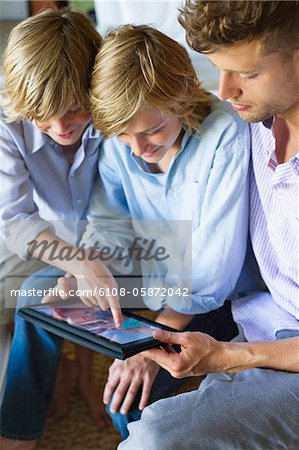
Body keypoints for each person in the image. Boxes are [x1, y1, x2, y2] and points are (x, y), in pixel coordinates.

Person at [117, 2, 299, 449]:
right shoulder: (255, 125)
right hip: (259, 319)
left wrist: (226, 356)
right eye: (220, 70)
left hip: (277, 349)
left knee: (157, 439)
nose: (225, 90)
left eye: (247, 74)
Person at [71, 23, 257, 439]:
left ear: (183, 95)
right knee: (46, 299)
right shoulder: (123, 139)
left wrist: (151, 341)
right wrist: (92, 261)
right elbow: (108, 217)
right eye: (124, 134)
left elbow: (213, 270)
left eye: (151, 130)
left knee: (135, 401)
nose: (137, 147)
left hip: (220, 297)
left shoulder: (225, 134)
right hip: (157, 285)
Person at [0, 8, 112, 450]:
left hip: (108, 231)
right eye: (43, 117)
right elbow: (13, 217)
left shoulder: (113, 108)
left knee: (82, 282)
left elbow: (116, 212)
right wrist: (77, 260)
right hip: (34, 229)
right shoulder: (7, 120)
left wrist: (84, 261)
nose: (61, 128)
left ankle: (83, 372)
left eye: (73, 110)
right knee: (31, 298)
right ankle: (50, 384)